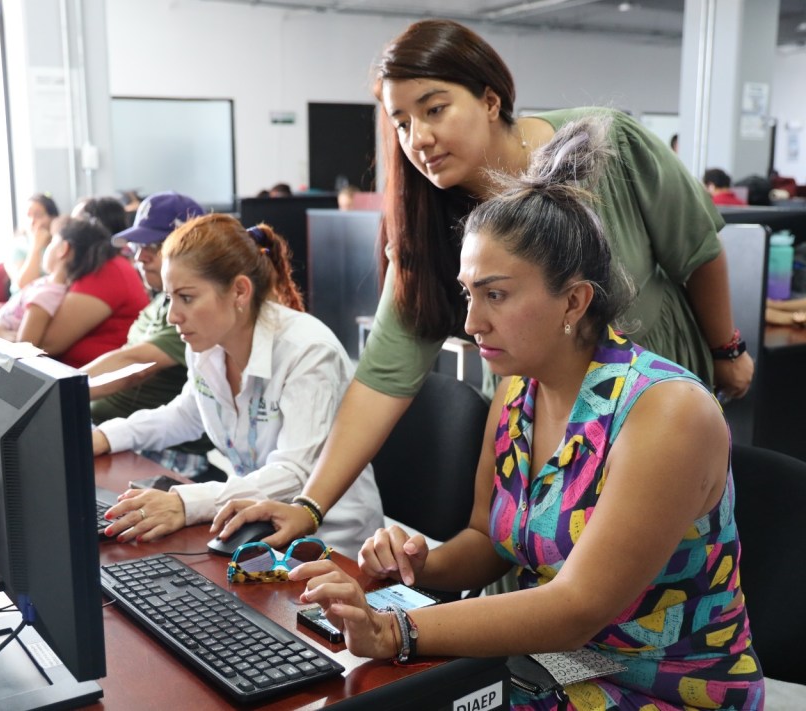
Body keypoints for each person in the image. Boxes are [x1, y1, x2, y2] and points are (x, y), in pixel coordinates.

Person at [213, 18, 754, 551]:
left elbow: (698, 252)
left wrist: (725, 348)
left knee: (642, 578)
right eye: (400, 122)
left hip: (651, 390)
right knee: (519, 562)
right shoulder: (427, 224)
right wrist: (310, 506)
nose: (418, 138)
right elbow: (383, 376)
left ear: (491, 100)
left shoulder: (606, 146)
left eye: (435, 109)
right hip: (536, 419)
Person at [290, 117, 764, 709]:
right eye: (469, 293)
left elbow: (575, 609)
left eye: (496, 294)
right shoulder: (518, 392)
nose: (470, 322)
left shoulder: (665, 411)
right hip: (549, 667)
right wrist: (416, 563)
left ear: (574, 299)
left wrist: (396, 632)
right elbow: (489, 540)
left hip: (660, 686)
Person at [92, 213, 383, 556]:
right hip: (252, 525)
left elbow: (293, 474)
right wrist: (105, 436)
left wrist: (186, 503)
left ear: (240, 291)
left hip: (331, 544)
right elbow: (186, 415)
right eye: (169, 298)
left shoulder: (308, 351)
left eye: (186, 297)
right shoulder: (207, 342)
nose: (173, 316)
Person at [84, 191, 215, 478]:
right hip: (130, 435)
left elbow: (135, 365)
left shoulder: (191, 312)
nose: (141, 257)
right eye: (138, 245)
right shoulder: (161, 300)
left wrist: (62, 392)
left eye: (154, 247)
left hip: (169, 451)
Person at [23, 212, 148, 368]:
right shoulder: (93, 271)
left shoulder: (107, 272)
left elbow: (43, 345)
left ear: (65, 248)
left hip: (89, 381)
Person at [5, 193, 59, 292]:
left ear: (53, 218)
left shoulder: (60, 245)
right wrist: (36, 247)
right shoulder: (17, 247)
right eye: (28, 215)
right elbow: (25, 284)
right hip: (23, 302)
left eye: (38, 215)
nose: (32, 221)